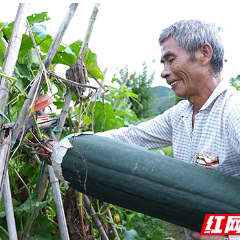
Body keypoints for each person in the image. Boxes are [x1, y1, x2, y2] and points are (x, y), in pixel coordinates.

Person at [95, 19, 240, 240]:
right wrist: (72, 144)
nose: (164, 73)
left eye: (171, 60)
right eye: (163, 64)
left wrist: (229, 232)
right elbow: (132, 137)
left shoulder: (233, 111)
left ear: (204, 53)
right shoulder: (179, 115)